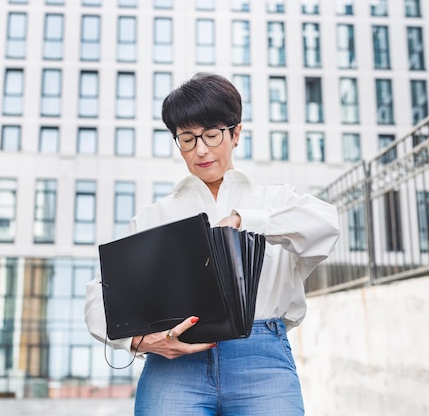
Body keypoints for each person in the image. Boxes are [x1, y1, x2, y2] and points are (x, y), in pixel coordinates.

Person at [85, 73, 340, 415]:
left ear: (236, 133)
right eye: (187, 139)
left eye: (211, 134)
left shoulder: (275, 201)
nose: (200, 149)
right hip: (174, 366)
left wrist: (245, 220)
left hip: (261, 361)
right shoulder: (155, 216)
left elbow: (326, 226)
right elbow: (100, 295)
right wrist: (138, 341)